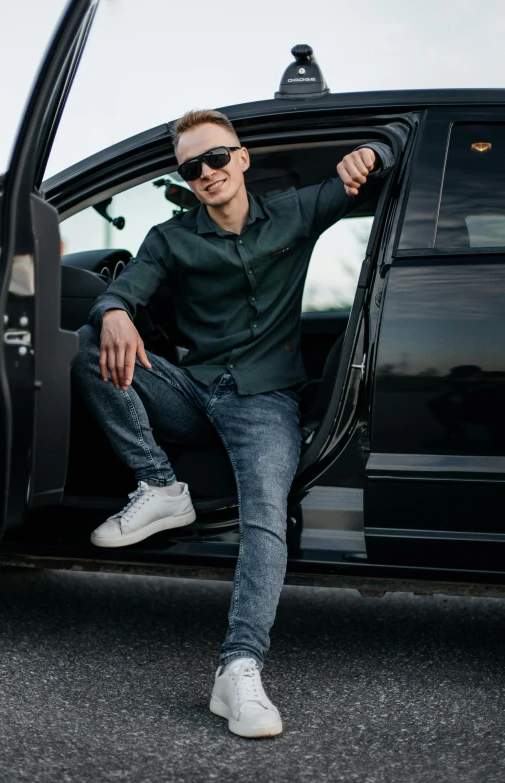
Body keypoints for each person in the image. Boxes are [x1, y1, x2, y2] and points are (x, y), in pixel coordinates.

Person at [72, 109, 394, 738]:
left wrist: (369, 158)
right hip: (193, 389)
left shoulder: (297, 212)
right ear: (186, 179)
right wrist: (113, 311)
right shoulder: (170, 238)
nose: (207, 173)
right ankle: (160, 486)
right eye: (192, 167)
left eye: (216, 157)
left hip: (266, 400)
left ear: (242, 157)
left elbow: (368, 172)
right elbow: (128, 289)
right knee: (90, 342)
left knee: (265, 515)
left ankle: (238, 667)